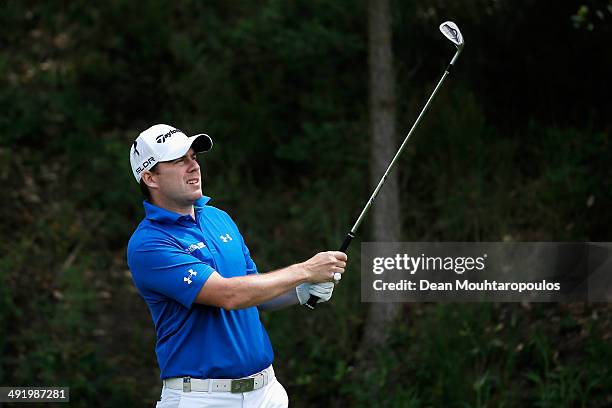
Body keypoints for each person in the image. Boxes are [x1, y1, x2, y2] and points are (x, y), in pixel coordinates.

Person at [127, 124, 347, 408]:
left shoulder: (218, 218)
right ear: (150, 177)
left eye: (194, 157)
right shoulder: (149, 243)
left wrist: (300, 291)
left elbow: (254, 293)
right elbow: (229, 295)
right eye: (179, 160)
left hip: (267, 392)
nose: (193, 166)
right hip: (202, 398)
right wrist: (304, 271)